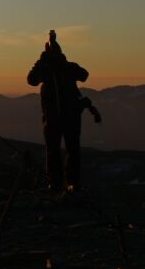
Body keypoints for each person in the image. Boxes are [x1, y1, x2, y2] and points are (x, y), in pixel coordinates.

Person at [26, 30, 96, 193]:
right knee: (60, 150)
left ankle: (66, 183)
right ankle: (60, 183)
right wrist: (43, 61)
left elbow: (84, 75)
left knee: (63, 150)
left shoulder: (64, 68)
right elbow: (31, 80)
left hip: (60, 117)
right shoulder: (48, 70)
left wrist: (46, 60)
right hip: (59, 117)